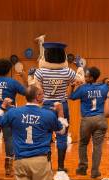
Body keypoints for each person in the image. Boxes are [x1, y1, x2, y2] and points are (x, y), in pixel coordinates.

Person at [0, 85, 67, 180]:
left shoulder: (13, 112)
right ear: (37, 97)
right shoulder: (48, 114)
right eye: (42, 93)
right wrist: (60, 112)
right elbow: (62, 130)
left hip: (20, 160)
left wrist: (3, 107)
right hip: (40, 161)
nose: (44, 96)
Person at [34, 42, 76, 171]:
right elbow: (78, 81)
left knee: (45, 136)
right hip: (62, 106)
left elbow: (38, 91)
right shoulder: (68, 71)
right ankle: (61, 167)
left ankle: (48, 167)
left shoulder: (40, 72)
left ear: (46, 55)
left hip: (46, 106)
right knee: (62, 135)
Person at [70, 66, 109, 178]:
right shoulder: (104, 87)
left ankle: (82, 168)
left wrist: (72, 87)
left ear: (91, 78)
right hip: (100, 119)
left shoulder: (83, 88)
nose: (85, 77)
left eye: (87, 75)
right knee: (97, 146)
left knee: (82, 144)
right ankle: (95, 171)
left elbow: (71, 97)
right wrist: (107, 83)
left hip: (87, 120)